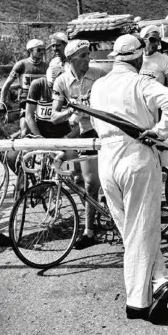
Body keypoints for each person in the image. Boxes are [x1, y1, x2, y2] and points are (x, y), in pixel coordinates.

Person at [90, 34, 168, 323]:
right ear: (137, 56)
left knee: (130, 229)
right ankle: (139, 302)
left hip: (107, 159)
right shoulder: (141, 81)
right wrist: (160, 131)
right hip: (137, 156)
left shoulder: (98, 85)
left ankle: (160, 281)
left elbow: (96, 123)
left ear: (115, 57)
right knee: (140, 228)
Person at [51, 39, 107, 249]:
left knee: (92, 183)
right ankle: (100, 211)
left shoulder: (100, 75)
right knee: (76, 180)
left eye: (88, 55)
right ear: (71, 59)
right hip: (81, 133)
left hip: (101, 131)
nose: (88, 59)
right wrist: (72, 110)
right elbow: (54, 117)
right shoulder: (61, 81)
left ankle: (89, 231)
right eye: (83, 56)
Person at [0, 39, 48, 136]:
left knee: (43, 130)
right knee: (25, 131)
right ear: (30, 51)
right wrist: (1, 102)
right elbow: (7, 84)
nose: (42, 52)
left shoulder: (46, 66)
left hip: (42, 102)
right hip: (26, 101)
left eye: (43, 50)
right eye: (39, 50)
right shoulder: (21, 65)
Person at [25, 66, 73, 139]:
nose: (54, 89)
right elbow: (29, 115)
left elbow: (82, 121)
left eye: (57, 85)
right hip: (41, 130)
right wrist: (38, 136)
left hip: (63, 132)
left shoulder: (70, 86)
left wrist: (67, 137)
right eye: (51, 85)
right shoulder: (37, 84)